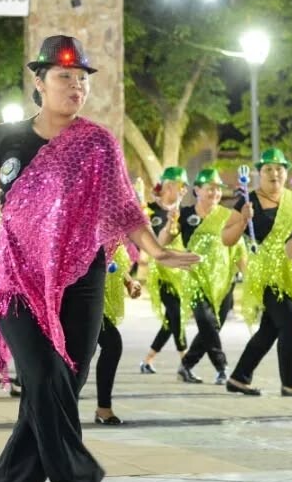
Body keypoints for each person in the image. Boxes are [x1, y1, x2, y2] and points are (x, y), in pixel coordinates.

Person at [0, 34, 199, 482]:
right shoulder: (7, 136)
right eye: (64, 77)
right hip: (16, 276)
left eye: (81, 79)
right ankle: (74, 481)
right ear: (38, 82)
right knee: (43, 375)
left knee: (63, 383)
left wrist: (154, 251)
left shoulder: (99, 142)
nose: (75, 86)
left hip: (82, 277)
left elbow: (123, 205)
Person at [221, 148, 292, 398]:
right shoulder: (248, 201)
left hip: (290, 272)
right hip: (266, 275)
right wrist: (241, 220)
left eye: (279, 168)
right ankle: (290, 385)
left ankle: (239, 377)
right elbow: (227, 239)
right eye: (268, 169)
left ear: (286, 173)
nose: (274, 174)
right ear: (259, 173)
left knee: (270, 329)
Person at [176, 167, 237, 385]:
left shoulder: (227, 215)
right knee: (205, 321)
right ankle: (222, 367)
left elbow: (237, 246)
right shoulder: (183, 214)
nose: (215, 193)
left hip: (223, 279)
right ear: (197, 190)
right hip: (195, 278)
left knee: (212, 326)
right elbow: (165, 239)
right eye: (210, 189)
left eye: (218, 189)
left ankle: (187, 365)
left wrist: (243, 272)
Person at [139, 168, 190, 374]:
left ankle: (148, 360)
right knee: (176, 315)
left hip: (181, 274)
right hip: (162, 273)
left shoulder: (182, 213)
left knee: (172, 320)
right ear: (169, 186)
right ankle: (186, 362)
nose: (183, 190)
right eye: (181, 185)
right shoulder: (149, 210)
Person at [95, 241, 143, 425]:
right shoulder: (87, 224)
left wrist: (129, 282)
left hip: (101, 304)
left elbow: (115, 264)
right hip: (80, 299)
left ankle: (103, 408)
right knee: (110, 345)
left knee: (110, 345)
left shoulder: (115, 236)